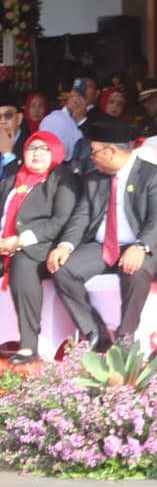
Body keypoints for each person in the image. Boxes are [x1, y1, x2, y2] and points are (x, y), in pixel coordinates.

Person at [46, 118, 157, 349]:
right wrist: (65, 245)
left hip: (146, 247)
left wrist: (140, 246)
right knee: (62, 269)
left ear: (111, 151)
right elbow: (82, 216)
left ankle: (125, 339)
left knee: (135, 270)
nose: (91, 157)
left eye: (94, 152)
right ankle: (94, 332)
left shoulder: (153, 175)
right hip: (103, 247)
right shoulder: (94, 179)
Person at [0, 132, 79, 363]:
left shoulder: (63, 179)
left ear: (55, 152)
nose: (36, 153)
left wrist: (20, 241)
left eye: (44, 149)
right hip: (5, 242)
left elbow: (60, 220)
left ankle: (28, 345)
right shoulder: (13, 179)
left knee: (23, 265)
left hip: (40, 245)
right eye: (32, 148)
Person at [0, 90, 29, 179]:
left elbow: (25, 186)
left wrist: (7, 155)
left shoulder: (31, 145)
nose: (3, 121)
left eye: (8, 115)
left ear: (19, 118)